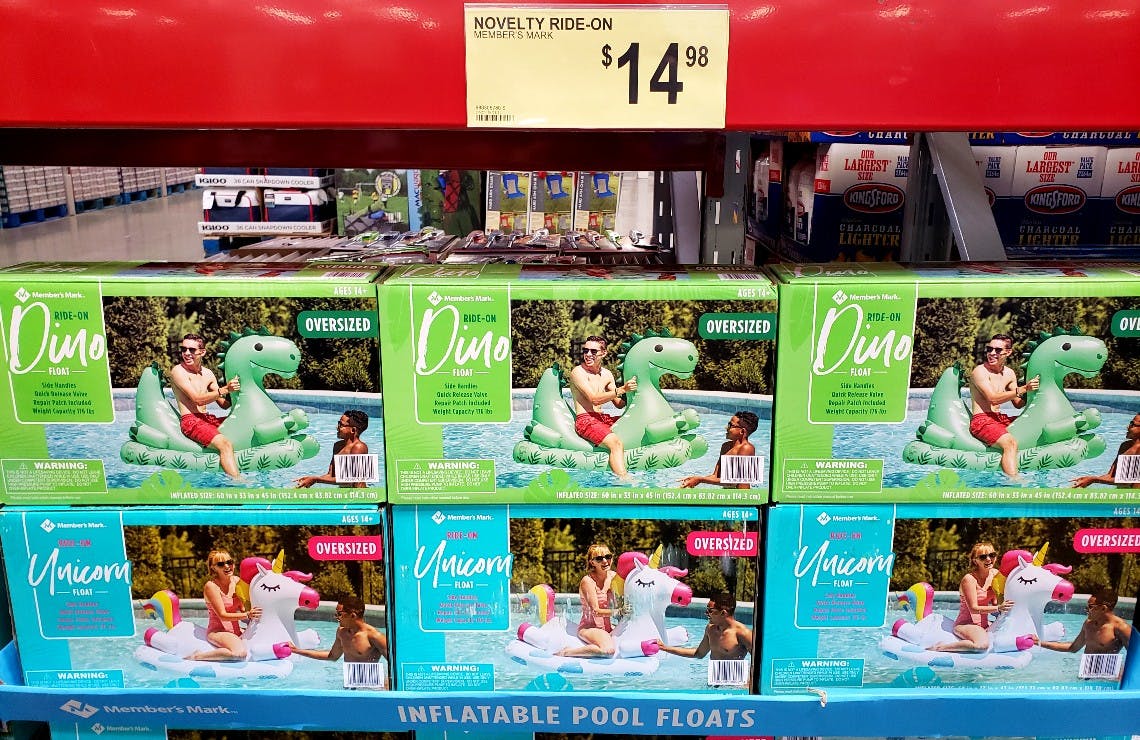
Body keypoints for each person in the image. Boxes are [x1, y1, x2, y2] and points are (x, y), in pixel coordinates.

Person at [170, 333, 242, 479]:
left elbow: (224, 404)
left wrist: (237, 389)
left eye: (191, 350)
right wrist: (225, 389)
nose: (186, 353)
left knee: (240, 425)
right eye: (183, 349)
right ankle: (238, 483)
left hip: (207, 419)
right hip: (191, 421)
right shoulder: (178, 371)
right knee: (225, 444)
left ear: (202, 352)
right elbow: (198, 400)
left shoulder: (208, 374)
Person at [968, 333, 1040, 479]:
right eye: (989, 349)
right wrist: (1023, 389)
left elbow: (1018, 404)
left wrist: (1034, 391)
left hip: (999, 418)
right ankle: (1014, 482)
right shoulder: (980, 371)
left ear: (1008, 352)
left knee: (1032, 424)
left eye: (998, 350)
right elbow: (993, 399)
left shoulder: (1009, 373)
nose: (992, 353)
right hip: (982, 420)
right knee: (1010, 443)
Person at [569, 336, 637, 480]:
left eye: (593, 351)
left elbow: (619, 403)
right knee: (616, 444)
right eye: (585, 350)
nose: (588, 354)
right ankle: (624, 480)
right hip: (586, 420)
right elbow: (594, 399)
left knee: (634, 424)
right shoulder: (578, 372)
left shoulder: (606, 374)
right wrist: (622, 389)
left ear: (604, 353)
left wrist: (634, 391)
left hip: (602, 418)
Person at [288, 595, 389, 685]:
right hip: (350, 686)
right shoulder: (342, 632)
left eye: (339, 614)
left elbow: (395, 663)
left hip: (370, 688)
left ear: (353, 615)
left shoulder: (374, 636)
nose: (336, 617)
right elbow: (332, 656)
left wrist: (387, 684)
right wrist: (296, 650)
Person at [932, 542, 1013, 653]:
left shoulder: (995, 574)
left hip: (985, 624)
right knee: (981, 645)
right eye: (983, 557)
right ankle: (940, 647)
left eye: (992, 555)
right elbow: (974, 608)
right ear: (975, 561)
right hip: (966, 624)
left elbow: (996, 601)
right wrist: (999, 608)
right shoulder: (969, 579)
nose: (988, 559)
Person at [189, 549, 261, 661]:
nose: (227, 566)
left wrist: (254, 619)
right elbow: (222, 615)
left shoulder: (237, 581)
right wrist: (248, 615)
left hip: (237, 631)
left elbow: (243, 609)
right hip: (218, 631)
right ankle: (197, 656)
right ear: (213, 568)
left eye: (229, 562)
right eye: (221, 564)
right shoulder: (211, 586)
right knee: (239, 654)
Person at [556, 544, 617, 658]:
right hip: (590, 628)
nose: (605, 561)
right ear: (592, 562)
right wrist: (618, 611)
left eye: (608, 556)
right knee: (608, 651)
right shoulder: (588, 581)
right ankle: (566, 652)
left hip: (608, 627)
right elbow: (596, 611)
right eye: (599, 558)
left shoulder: (614, 577)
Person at [656, 591, 753, 661]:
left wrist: (749, 681)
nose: (706, 613)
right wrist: (665, 648)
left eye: (710, 611)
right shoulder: (710, 629)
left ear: (723, 613)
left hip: (735, 682)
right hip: (714, 681)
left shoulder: (743, 633)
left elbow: (758, 662)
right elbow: (699, 653)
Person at [1033, 587, 1132, 656]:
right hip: (1085, 674)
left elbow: (1135, 657)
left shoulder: (1121, 628)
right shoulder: (1088, 624)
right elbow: (1072, 648)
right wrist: (1039, 642)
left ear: (1103, 608)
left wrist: (1122, 673)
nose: (1086, 609)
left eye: (1090, 607)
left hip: (1105, 677)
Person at [680, 411, 759, 489]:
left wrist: (700, 480)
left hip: (741, 495)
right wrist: (693, 480)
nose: (726, 427)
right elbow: (715, 476)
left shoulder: (747, 448)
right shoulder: (726, 446)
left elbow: (733, 482)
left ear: (742, 431)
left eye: (730, 425)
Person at [295, 410, 370, 488]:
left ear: (353, 430)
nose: (337, 427)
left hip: (358, 493)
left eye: (341, 425)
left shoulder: (359, 447)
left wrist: (316, 479)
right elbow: (330, 475)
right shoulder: (337, 446)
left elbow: (352, 479)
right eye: (338, 423)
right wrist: (310, 479)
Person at [1072, 414, 1140, 488]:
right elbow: (1110, 475)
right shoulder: (1125, 446)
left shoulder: (1137, 450)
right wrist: (1086, 481)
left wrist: (1093, 480)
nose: (1127, 427)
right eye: (1130, 423)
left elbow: (1126, 482)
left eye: (1133, 424)